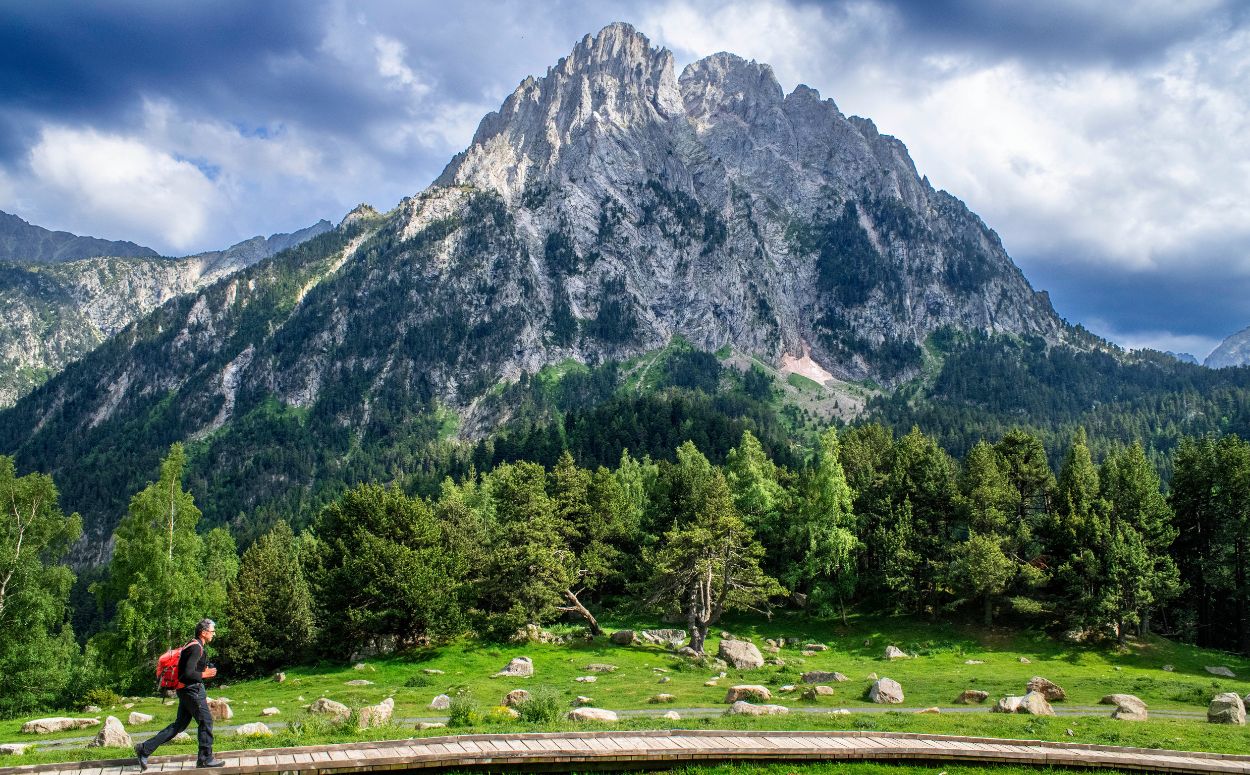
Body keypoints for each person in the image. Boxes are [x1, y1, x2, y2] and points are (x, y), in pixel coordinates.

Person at [135, 619, 224, 770]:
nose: (214, 634)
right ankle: (205, 759)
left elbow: (188, 669)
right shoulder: (196, 648)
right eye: (212, 631)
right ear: (204, 632)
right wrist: (205, 673)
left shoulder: (193, 644)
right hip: (192, 690)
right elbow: (187, 674)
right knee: (206, 721)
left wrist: (204, 668)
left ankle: (144, 748)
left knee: (179, 725)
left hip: (185, 690)